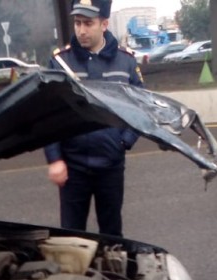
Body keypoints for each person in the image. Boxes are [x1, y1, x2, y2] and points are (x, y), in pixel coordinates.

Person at [44, 0, 143, 237]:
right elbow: (48, 113)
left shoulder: (126, 62)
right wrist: (54, 158)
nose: (81, 30)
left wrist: (124, 141)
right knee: (70, 235)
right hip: (72, 166)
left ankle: (111, 274)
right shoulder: (61, 62)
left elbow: (140, 106)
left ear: (104, 24)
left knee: (111, 234)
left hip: (110, 165)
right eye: (77, 23)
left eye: (88, 23)